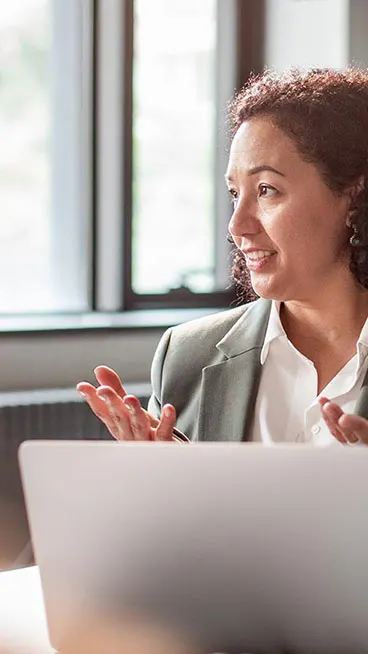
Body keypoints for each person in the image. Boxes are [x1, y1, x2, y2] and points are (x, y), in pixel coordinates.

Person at [77, 67, 368, 447]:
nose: (237, 224)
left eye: (267, 190)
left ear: (354, 196)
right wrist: (162, 482)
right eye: (235, 193)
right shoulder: (186, 355)